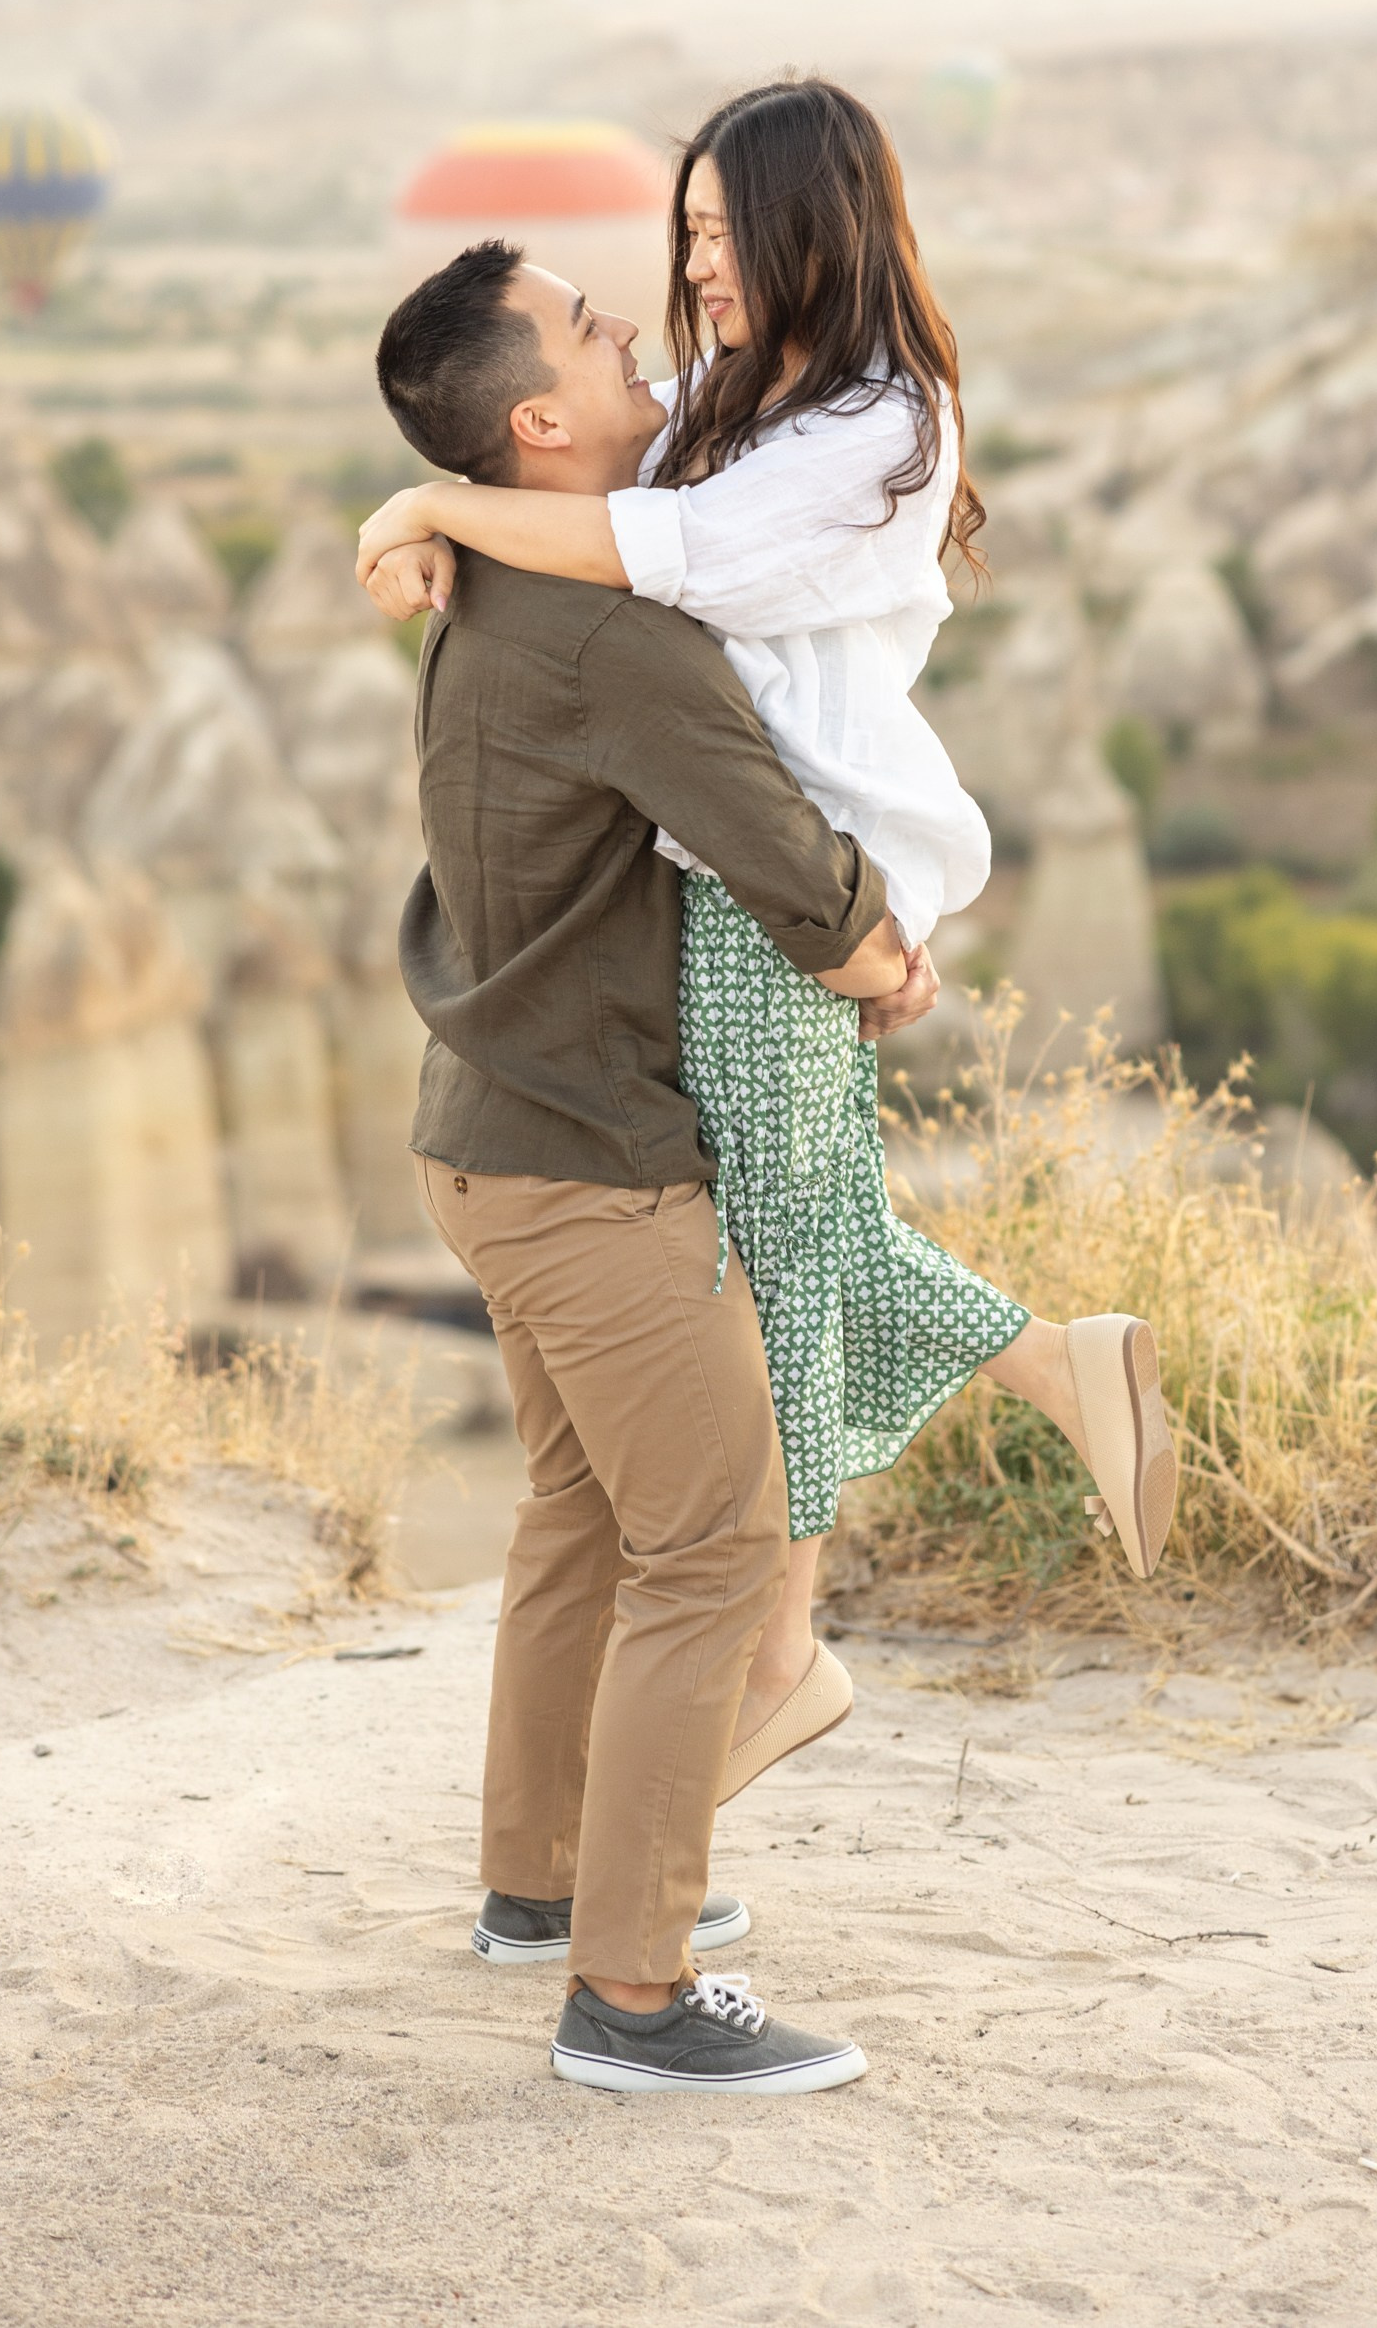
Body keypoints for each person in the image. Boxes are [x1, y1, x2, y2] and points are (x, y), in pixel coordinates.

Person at [362, 80, 1177, 1796]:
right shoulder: (752, 400)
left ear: (818, 227)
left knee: (774, 1258)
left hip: (792, 871)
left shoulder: (880, 428)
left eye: (724, 234)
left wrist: (432, 510)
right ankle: (1060, 1371)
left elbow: (663, 552)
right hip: (763, 877)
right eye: (688, 231)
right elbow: (567, 469)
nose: (692, 267)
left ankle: (787, 1654)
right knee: (800, 1223)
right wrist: (415, 504)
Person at [382, 237, 935, 2094]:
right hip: (596, 1170)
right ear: (538, 420)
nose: (637, 333)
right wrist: (881, 953)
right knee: (710, 1552)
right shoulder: (619, 635)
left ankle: (538, 1888)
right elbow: (781, 852)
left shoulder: (485, 592)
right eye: (595, 331)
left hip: (483, 1142)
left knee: (581, 1523)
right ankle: (627, 1997)